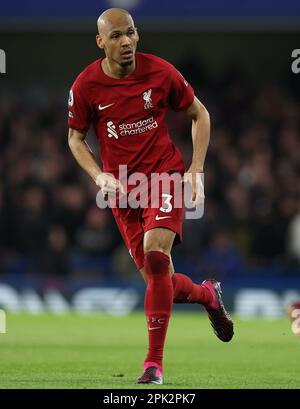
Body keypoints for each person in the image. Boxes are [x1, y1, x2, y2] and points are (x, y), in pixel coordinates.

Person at [68, 8, 234, 385]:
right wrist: (99, 176)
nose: (125, 42)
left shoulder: (160, 71)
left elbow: (200, 114)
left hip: (163, 177)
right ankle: (208, 295)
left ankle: (153, 364)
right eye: (115, 36)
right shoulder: (86, 86)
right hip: (123, 189)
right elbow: (75, 139)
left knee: (158, 259)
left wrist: (195, 168)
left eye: (130, 33)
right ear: (100, 42)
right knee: (162, 284)